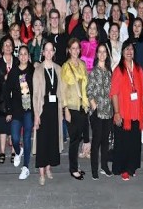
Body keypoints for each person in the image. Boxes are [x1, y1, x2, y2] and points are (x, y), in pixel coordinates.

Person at [110, 40, 143, 180]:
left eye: (131, 49)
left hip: (136, 112)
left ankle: (132, 167)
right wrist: (117, 113)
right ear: (122, 52)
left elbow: (142, 92)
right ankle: (123, 169)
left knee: (134, 142)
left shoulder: (139, 69)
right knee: (123, 143)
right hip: (123, 114)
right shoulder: (118, 70)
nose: (129, 52)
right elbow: (114, 93)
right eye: (127, 49)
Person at [33, 41, 64, 185]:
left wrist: (63, 110)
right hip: (43, 109)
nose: (49, 52)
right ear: (43, 52)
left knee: (52, 139)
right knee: (42, 141)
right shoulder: (38, 70)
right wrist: (36, 115)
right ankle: (41, 173)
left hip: (55, 109)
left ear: (54, 52)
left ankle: (49, 168)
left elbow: (61, 90)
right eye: (47, 50)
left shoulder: (58, 69)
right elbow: (35, 95)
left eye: (51, 50)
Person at [5, 45, 34, 179]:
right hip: (16, 110)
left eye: (25, 54)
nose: (23, 56)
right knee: (15, 138)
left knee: (27, 138)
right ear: (18, 56)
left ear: (28, 56)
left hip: (29, 110)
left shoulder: (33, 70)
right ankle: (18, 151)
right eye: (21, 54)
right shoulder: (14, 72)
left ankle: (26, 167)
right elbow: (6, 91)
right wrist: (9, 110)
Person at [61, 38, 90, 179]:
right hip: (71, 107)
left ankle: (75, 166)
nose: (75, 51)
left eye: (77, 48)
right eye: (73, 48)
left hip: (82, 106)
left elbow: (86, 85)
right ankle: (73, 169)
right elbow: (63, 89)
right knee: (74, 139)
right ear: (69, 50)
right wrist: (65, 108)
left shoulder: (82, 64)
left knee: (78, 138)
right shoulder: (66, 66)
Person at [86, 44, 114, 180]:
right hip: (97, 112)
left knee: (105, 141)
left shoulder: (109, 72)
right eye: (100, 52)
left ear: (107, 55)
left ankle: (104, 166)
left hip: (108, 111)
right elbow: (89, 90)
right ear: (97, 54)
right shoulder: (93, 72)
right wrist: (94, 106)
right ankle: (94, 169)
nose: (102, 54)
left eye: (104, 52)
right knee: (96, 141)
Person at [0, 36, 16, 164]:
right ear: (2, 47)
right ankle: (2, 152)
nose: (8, 47)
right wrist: (4, 78)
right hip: (1, 98)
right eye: (5, 45)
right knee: (2, 126)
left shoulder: (17, 61)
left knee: (14, 125)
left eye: (10, 45)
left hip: (15, 97)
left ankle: (14, 151)